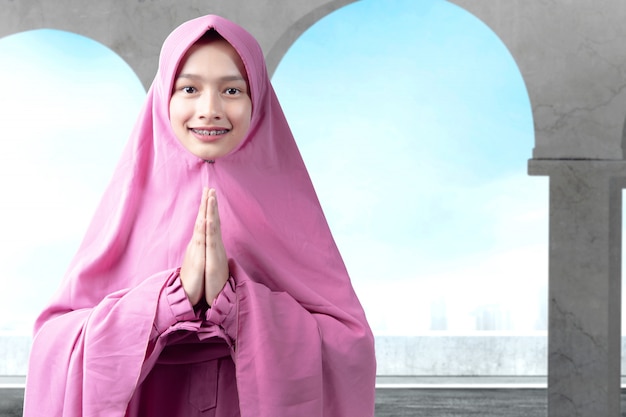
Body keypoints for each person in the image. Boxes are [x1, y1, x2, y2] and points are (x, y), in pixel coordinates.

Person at [22, 14, 376, 417]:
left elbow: (350, 345)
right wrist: (168, 301)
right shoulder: (130, 201)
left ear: (257, 99)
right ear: (163, 98)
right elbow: (54, 343)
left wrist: (238, 303)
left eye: (231, 89)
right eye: (189, 88)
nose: (209, 109)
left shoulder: (288, 205)